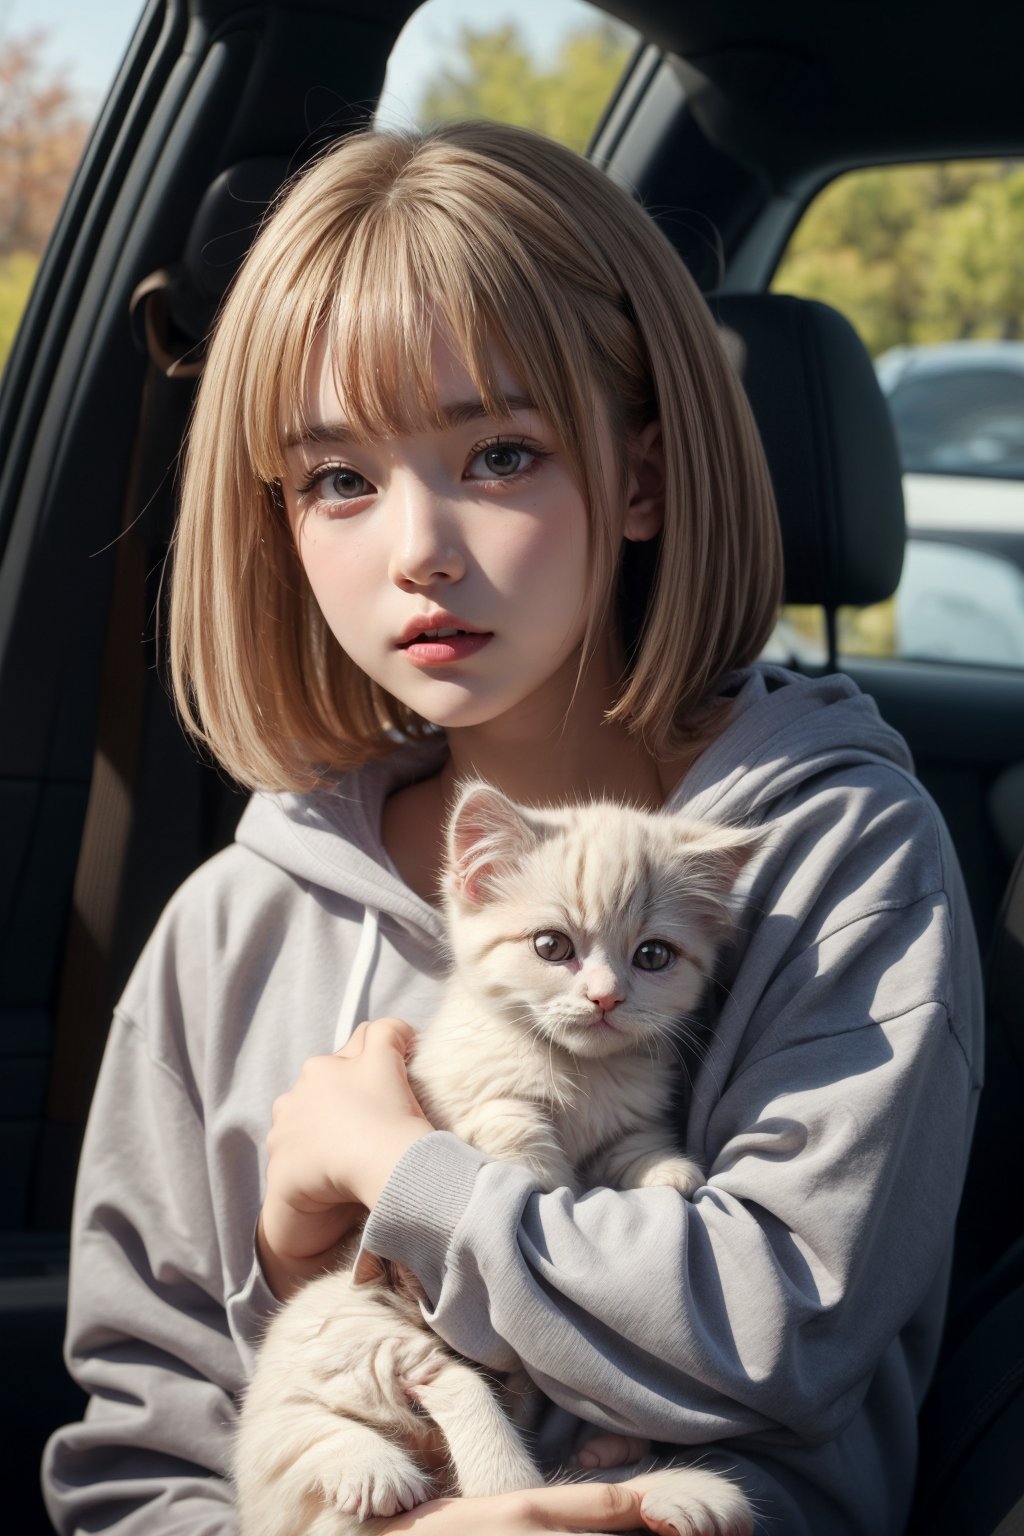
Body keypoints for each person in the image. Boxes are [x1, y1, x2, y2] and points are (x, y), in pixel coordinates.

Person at [43, 120, 983, 1536]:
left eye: (498, 453)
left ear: (649, 476)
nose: (418, 545)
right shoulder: (235, 927)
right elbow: (142, 1457)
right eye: (339, 480)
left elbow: (784, 1326)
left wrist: (397, 1176)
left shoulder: (835, 865)